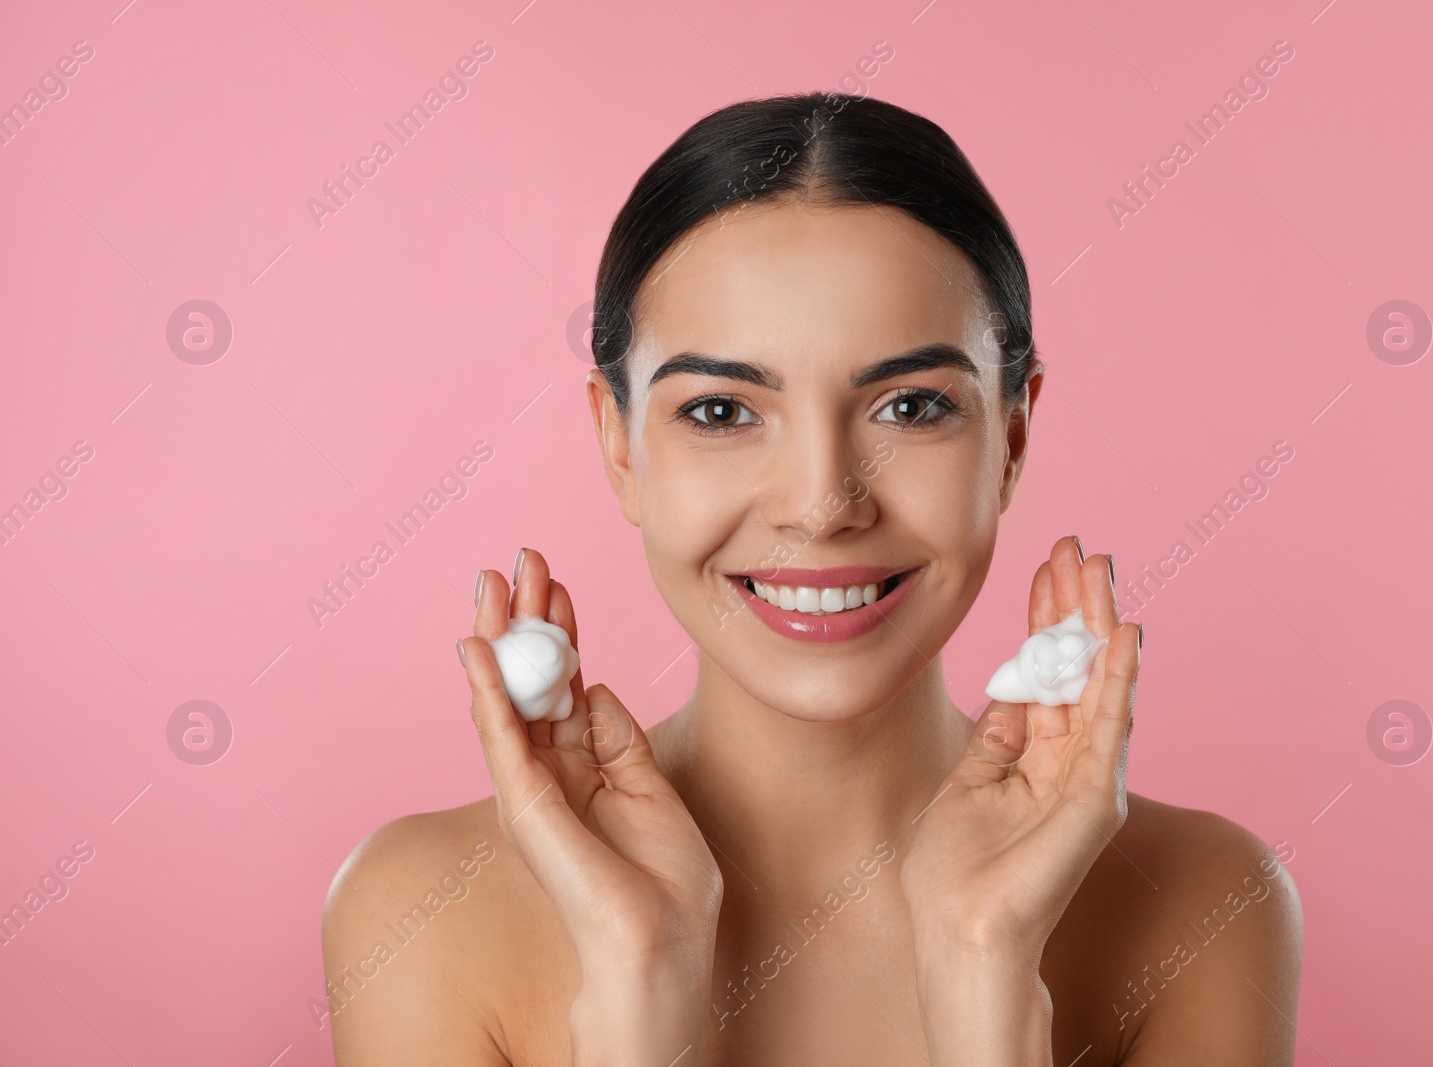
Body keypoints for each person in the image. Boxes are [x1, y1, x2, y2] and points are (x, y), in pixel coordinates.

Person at [322, 92, 1303, 1065]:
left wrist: (983, 973)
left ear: (1011, 434)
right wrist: (633, 992)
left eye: (911, 406)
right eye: (720, 411)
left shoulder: (1201, 903)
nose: (824, 502)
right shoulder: (418, 909)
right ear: (619, 444)